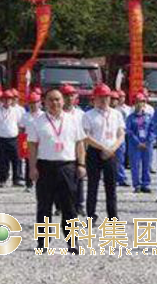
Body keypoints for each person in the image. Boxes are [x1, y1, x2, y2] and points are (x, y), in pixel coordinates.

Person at [27, 89, 87, 253]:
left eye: (58, 99)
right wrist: (32, 168)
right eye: (51, 100)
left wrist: (81, 165)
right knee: (44, 207)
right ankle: (43, 243)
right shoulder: (37, 122)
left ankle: (72, 242)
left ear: (63, 101)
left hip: (68, 167)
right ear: (44, 102)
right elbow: (32, 146)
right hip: (45, 167)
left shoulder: (73, 120)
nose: (55, 103)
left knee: (70, 208)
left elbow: (79, 144)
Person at [82, 84, 124, 223]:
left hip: (112, 152)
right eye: (101, 97)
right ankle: (91, 216)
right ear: (95, 98)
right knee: (92, 185)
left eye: (106, 97)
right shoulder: (88, 115)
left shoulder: (116, 114)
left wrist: (112, 148)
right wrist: (102, 148)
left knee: (111, 186)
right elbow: (86, 136)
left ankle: (113, 216)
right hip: (94, 152)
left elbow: (121, 134)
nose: (104, 100)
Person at [61, 84, 86, 216]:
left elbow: (85, 134)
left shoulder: (81, 114)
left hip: (77, 149)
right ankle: (60, 205)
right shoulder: (57, 113)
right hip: (62, 151)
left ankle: (79, 204)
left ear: (76, 96)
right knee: (61, 180)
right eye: (66, 96)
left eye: (71, 95)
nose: (69, 98)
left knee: (79, 177)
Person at [0, 90, 23, 188]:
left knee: (16, 159)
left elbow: (19, 124)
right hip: (1, 139)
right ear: (2, 100)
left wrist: (17, 133)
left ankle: (16, 179)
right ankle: (2, 180)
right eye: (5, 99)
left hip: (13, 138)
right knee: (2, 160)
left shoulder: (16, 111)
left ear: (11, 100)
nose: (7, 101)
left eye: (9, 99)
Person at [125, 93, 153, 194]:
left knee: (146, 164)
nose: (139, 104)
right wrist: (137, 142)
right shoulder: (130, 118)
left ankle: (145, 184)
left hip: (147, 145)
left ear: (144, 103)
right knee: (135, 165)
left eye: (141, 102)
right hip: (135, 145)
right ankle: (136, 184)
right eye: (137, 102)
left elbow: (152, 130)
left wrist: (148, 141)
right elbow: (129, 131)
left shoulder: (149, 117)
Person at [19, 92, 44, 191]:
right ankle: (28, 184)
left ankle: (41, 183)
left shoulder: (44, 115)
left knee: (41, 163)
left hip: (41, 142)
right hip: (29, 143)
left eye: (35, 102)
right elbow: (21, 130)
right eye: (31, 103)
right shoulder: (25, 116)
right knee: (28, 163)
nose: (33, 105)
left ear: (39, 103)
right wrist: (21, 146)